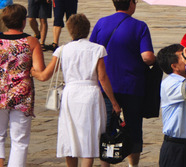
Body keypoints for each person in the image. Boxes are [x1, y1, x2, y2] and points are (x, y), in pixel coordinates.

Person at [34, 14, 122, 167]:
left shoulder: (62, 50)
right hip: (91, 94)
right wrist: (113, 102)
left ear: (70, 30)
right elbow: (102, 78)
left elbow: (44, 76)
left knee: (70, 135)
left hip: (70, 94)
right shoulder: (98, 49)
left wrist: (32, 72)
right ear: (87, 30)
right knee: (89, 137)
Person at [90, 0, 157, 167]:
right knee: (134, 128)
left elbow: (91, 52)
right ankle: (132, 165)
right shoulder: (139, 26)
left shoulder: (101, 23)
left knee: (107, 128)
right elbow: (147, 57)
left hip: (106, 86)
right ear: (130, 3)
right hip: (132, 86)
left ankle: (105, 164)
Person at [0, 4, 45, 167]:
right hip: (21, 94)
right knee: (20, 139)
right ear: (23, 22)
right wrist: (30, 69)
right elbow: (39, 70)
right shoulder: (31, 41)